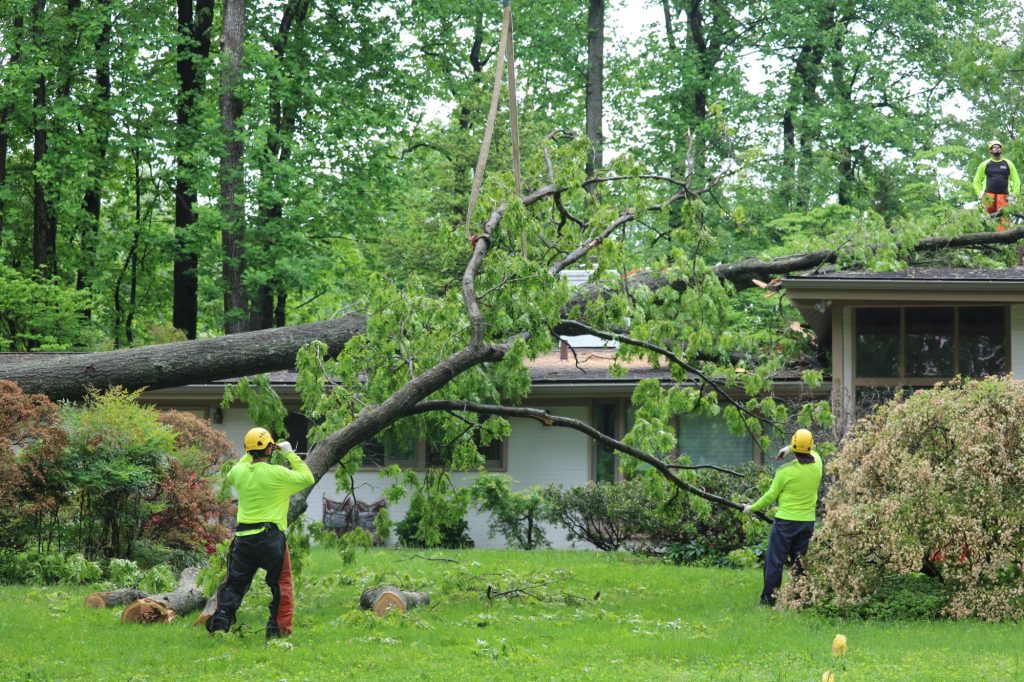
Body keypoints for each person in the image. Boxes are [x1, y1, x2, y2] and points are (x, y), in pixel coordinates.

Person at [205, 427, 314, 638]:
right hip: (271, 538)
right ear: (270, 449)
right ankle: (278, 632)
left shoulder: (238, 473)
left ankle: (220, 624)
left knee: (234, 584)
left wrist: (254, 448)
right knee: (280, 585)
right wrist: (289, 453)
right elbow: (307, 477)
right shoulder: (278, 474)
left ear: (248, 450)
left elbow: (238, 467)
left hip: (243, 539)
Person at [742, 428, 823, 606]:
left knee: (774, 561)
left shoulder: (785, 472)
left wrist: (751, 508)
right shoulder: (818, 463)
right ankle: (799, 600)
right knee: (799, 562)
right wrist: (791, 448)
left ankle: (769, 600)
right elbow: (813, 452)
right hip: (807, 523)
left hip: (785, 523)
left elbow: (770, 497)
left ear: (793, 443)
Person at [973, 140, 1020, 232]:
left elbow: (1016, 181)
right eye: (994, 147)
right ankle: (986, 237)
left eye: (999, 146)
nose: (997, 148)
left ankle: (1003, 240)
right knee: (987, 218)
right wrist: (979, 193)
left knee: (1004, 218)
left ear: (1001, 149)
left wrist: (1014, 195)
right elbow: (976, 181)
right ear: (990, 150)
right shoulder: (985, 164)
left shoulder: (1008, 163)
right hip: (988, 196)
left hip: (1004, 196)